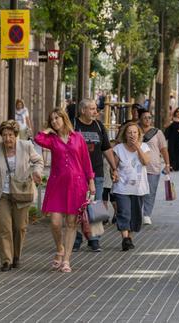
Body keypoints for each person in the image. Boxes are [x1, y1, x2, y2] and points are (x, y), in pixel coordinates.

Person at [35, 108, 96, 274]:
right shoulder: (52, 139)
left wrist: (91, 182)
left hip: (77, 185)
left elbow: (86, 161)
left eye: (57, 118)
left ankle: (67, 260)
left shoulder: (78, 138)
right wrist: (46, 130)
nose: (55, 121)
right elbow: (38, 139)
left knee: (71, 223)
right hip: (57, 185)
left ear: (64, 118)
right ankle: (60, 248)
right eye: (52, 119)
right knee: (55, 222)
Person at [0, 120, 43, 271]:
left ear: (16, 135)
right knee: (4, 227)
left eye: (10, 135)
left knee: (20, 227)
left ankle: (16, 256)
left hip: (21, 193)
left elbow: (38, 161)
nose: (7, 139)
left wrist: (37, 172)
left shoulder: (26, 146)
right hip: (2, 195)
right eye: (4, 135)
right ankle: (6, 260)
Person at [73, 97, 116, 252]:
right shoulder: (74, 125)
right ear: (83, 110)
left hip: (96, 172)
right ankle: (76, 238)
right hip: (77, 174)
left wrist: (114, 168)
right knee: (76, 207)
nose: (95, 111)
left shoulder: (98, 126)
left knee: (96, 206)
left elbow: (106, 148)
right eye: (91, 109)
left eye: (95, 109)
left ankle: (94, 239)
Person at [109, 122, 150, 251]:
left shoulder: (144, 146)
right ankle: (125, 238)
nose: (132, 135)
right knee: (124, 213)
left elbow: (145, 162)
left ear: (139, 134)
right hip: (122, 187)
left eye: (135, 132)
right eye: (129, 132)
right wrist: (113, 173)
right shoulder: (119, 148)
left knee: (135, 215)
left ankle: (129, 238)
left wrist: (137, 147)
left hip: (139, 188)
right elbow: (113, 167)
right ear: (125, 135)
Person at [137, 110, 171, 225]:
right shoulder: (135, 131)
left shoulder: (157, 132)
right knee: (138, 191)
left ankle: (147, 214)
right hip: (137, 166)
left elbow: (164, 149)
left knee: (150, 191)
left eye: (149, 117)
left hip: (153, 166)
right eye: (145, 117)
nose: (147, 119)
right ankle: (137, 213)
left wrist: (167, 164)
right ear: (140, 119)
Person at [165, 108, 179, 172]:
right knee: (171, 151)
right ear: (175, 112)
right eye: (177, 112)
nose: (178, 113)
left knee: (178, 151)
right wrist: (170, 123)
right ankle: (171, 165)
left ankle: (178, 166)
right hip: (171, 137)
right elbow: (165, 126)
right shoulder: (171, 118)